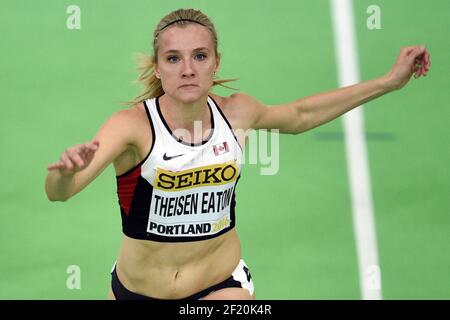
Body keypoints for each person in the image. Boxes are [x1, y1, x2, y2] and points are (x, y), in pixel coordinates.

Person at [45, 8, 430, 300]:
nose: (188, 69)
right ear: (158, 68)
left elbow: (300, 114)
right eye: (174, 58)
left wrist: (387, 82)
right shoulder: (132, 127)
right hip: (138, 291)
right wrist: (64, 173)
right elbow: (58, 192)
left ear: (216, 63)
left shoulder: (237, 113)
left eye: (199, 56)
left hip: (220, 283)